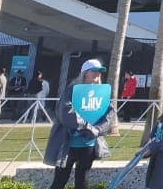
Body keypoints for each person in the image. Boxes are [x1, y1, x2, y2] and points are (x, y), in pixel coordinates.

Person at [46, 59, 115, 189]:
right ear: (85, 73)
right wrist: (88, 128)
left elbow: (109, 113)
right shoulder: (71, 90)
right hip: (68, 144)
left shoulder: (102, 93)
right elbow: (65, 112)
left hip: (89, 145)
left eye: (100, 72)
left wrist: (98, 129)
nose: (98, 74)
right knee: (60, 180)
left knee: (83, 182)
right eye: (94, 71)